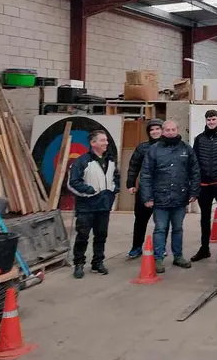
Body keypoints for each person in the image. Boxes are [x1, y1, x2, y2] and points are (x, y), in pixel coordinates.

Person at [140, 120, 201, 273]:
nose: (170, 132)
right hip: (160, 198)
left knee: (178, 228)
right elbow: (146, 174)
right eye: (167, 130)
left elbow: (195, 171)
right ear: (162, 131)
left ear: (177, 129)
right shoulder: (154, 150)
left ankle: (178, 256)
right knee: (160, 228)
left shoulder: (186, 148)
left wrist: (194, 192)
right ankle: (158, 258)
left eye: (173, 129)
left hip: (180, 197)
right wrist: (147, 197)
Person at [67, 130, 120, 279]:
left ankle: (98, 262)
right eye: (102, 140)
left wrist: (115, 189)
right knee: (82, 236)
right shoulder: (82, 161)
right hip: (86, 206)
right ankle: (79, 263)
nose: (106, 143)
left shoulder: (110, 160)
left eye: (107, 140)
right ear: (93, 143)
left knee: (101, 236)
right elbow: (72, 183)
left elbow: (116, 176)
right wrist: (88, 190)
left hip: (104, 205)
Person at [191, 110, 217, 263]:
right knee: (204, 217)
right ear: (206, 121)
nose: (211, 122)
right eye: (208, 119)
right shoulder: (199, 139)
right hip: (204, 185)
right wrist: (195, 182)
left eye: (213, 119)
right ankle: (204, 248)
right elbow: (194, 162)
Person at [125, 118, 163, 259]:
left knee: (161, 223)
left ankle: (160, 249)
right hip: (145, 189)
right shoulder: (142, 148)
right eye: (152, 129)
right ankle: (136, 247)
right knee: (140, 220)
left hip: (162, 190)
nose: (155, 131)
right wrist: (130, 184)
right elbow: (133, 166)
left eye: (157, 128)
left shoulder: (169, 147)